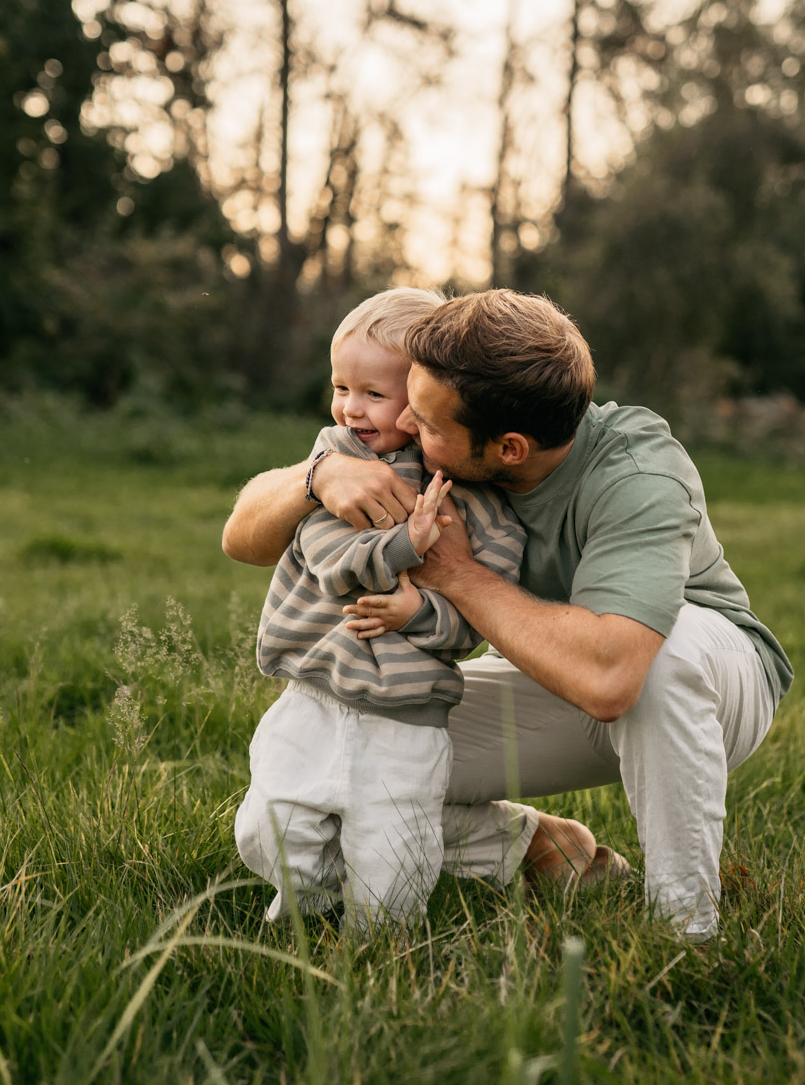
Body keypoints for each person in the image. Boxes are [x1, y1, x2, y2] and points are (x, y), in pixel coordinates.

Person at [225, 289, 793, 943]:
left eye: (430, 424)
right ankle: (531, 849)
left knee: (663, 657)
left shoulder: (638, 469)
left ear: (508, 450)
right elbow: (242, 542)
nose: (407, 428)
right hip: (541, 670)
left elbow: (612, 680)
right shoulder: (468, 397)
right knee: (351, 762)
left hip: (701, 687)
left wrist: (457, 576)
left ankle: (683, 931)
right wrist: (314, 476)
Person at [230, 289, 601, 937]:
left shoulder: (482, 503)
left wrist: (419, 611)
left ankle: (377, 953)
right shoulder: (338, 454)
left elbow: (473, 617)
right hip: (315, 693)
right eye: (341, 385)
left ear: (429, 394)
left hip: (407, 713)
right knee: (269, 827)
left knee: (392, 865)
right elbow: (326, 554)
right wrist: (405, 545)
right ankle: (305, 907)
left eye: (374, 393)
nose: (350, 406)